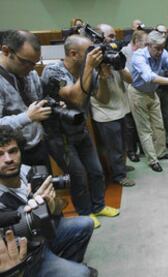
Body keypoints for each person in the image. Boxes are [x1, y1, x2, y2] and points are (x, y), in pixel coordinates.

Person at [41, 35, 119, 228]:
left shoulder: (89, 71)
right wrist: (89, 68)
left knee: (96, 170)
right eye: (89, 53)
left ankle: (99, 206)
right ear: (74, 54)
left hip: (80, 131)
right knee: (78, 176)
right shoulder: (53, 71)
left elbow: (104, 98)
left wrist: (102, 77)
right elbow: (75, 98)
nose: (95, 56)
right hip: (59, 137)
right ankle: (85, 212)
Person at [0, 125, 96, 276]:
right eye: (0, 154)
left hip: (43, 236)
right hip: (26, 254)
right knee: (82, 273)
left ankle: (67, 264)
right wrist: (38, 211)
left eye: (13, 151)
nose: (8, 159)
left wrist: (52, 205)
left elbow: (58, 206)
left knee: (85, 224)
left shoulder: (26, 170)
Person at [130, 31, 168, 172]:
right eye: (157, 48)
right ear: (148, 45)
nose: (160, 52)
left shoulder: (162, 53)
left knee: (159, 125)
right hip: (138, 93)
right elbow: (150, 77)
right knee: (145, 130)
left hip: (152, 93)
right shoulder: (138, 56)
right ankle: (152, 160)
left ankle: (160, 153)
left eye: (162, 48)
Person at [90, 23, 135, 187]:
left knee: (122, 145)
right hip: (106, 114)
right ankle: (118, 175)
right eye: (111, 37)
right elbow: (102, 99)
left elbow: (131, 80)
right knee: (114, 148)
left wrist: (119, 66)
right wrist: (103, 75)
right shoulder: (92, 63)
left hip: (121, 109)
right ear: (98, 39)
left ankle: (121, 167)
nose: (115, 40)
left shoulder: (114, 55)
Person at [0, 30, 52, 167]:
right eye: (25, 62)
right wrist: (28, 117)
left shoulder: (30, 72)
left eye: (34, 63)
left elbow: (38, 99)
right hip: (10, 154)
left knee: (46, 187)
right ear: (6, 51)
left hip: (38, 144)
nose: (31, 68)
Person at [121, 30, 148, 161]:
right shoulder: (125, 53)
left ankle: (143, 147)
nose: (147, 45)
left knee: (142, 122)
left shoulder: (143, 53)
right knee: (129, 125)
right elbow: (127, 76)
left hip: (141, 92)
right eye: (145, 42)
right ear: (137, 42)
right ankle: (131, 150)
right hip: (127, 93)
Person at [156, 24, 168, 151]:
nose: (163, 35)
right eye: (160, 32)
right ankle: (159, 143)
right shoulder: (150, 47)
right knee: (156, 118)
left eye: (165, 33)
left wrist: (158, 73)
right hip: (153, 89)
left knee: (167, 117)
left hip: (167, 88)